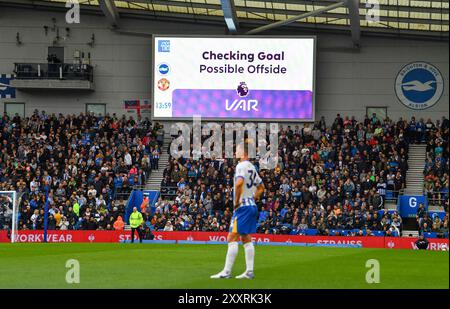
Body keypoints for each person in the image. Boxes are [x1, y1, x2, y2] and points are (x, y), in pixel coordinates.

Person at [211, 139, 265, 279]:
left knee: (232, 237)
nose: (236, 152)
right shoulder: (252, 167)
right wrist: (253, 198)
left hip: (242, 207)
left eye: (238, 149)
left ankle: (226, 272)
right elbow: (261, 188)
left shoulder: (241, 165)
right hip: (251, 205)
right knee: (246, 237)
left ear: (244, 152)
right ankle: (249, 271)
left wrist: (236, 202)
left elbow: (239, 183)